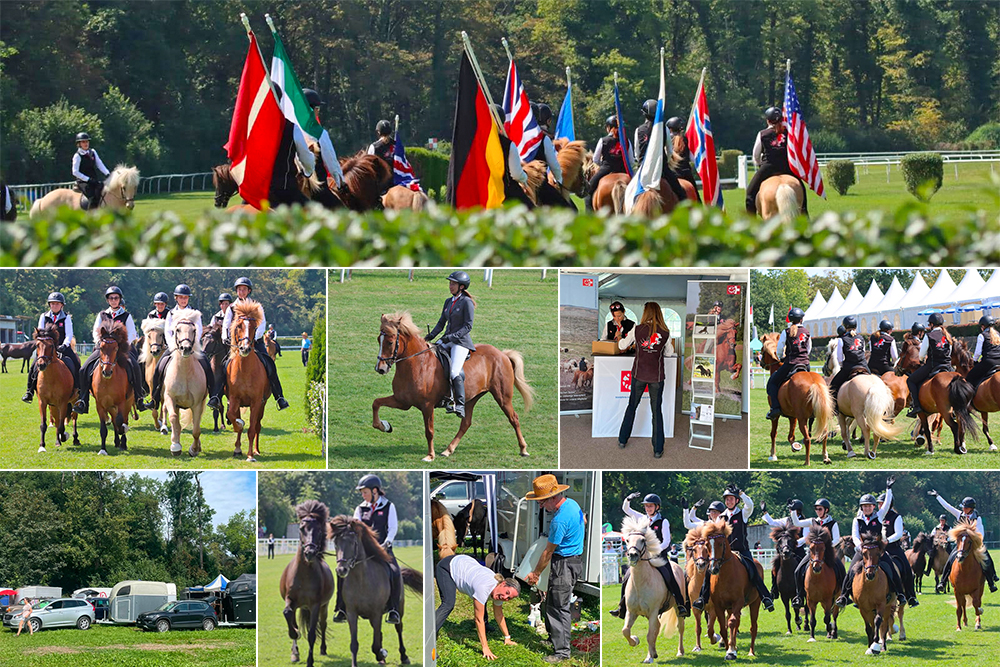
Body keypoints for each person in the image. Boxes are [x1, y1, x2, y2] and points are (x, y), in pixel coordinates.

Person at [524, 474, 585, 664]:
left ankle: (562, 653)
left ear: (553, 497)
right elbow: (582, 520)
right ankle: (554, 639)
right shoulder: (572, 504)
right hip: (571, 560)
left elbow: (548, 553)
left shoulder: (559, 521)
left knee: (559, 608)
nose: (541, 507)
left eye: (542, 502)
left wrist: (535, 574)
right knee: (552, 601)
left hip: (564, 564)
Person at [333, 474, 404, 624]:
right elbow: (353, 528)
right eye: (362, 493)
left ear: (375, 491)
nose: (363, 495)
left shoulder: (388, 506)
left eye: (365, 492)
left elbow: (392, 528)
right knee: (341, 571)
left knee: (395, 572)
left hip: (383, 549)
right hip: (363, 551)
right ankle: (341, 608)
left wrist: (387, 542)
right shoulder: (360, 508)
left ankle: (393, 609)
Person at [692, 485, 775, 612]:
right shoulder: (720, 517)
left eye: (731, 499)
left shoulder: (743, 513)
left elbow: (750, 505)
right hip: (724, 553)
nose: (729, 501)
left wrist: (740, 493)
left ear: (736, 501)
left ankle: (765, 597)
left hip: (742, 550)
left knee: (753, 570)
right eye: (727, 499)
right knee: (709, 572)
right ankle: (702, 598)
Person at [610, 491, 689, 618]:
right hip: (643, 558)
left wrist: (655, 551)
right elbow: (626, 509)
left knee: (670, 577)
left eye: (651, 506)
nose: (648, 508)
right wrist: (628, 499)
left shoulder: (664, 521)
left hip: (659, 557)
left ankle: (681, 605)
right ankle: (622, 606)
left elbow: (666, 541)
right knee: (627, 576)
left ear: (657, 507)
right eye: (646, 506)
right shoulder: (642, 518)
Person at [73, 286, 149, 414]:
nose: (114, 300)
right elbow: (95, 330)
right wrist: (99, 342)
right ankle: (83, 401)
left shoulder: (126, 315)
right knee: (83, 369)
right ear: (108, 300)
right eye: (111, 298)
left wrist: (122, 345)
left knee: (135, 366)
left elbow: (132, 334)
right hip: (104, 348)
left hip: (122, 349)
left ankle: (139, 398)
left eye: (116, 298)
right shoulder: (102, 314)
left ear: (120, 300)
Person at [148, 284, 221, 412]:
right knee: (158, 368)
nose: (183, 300)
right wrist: (173, 347)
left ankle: (213, 396)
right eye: (181, 297)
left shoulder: (194, 313)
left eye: (185, 297)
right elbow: (167, 331)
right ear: (176, 298)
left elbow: (198, 330)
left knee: (207, 365)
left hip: (191, 347)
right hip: (174, 348)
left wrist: (191, 344)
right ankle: (154, 399)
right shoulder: (171, 313)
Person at [435, 553, 521, 660]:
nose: (505, 597)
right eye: (507, 592)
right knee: (448, 604)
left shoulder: (499, 592)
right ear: (503, 584)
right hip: (447, 567)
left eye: (509, 598)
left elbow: (499, 614)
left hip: (464, 562)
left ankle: (486, 625)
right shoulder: (484, 587)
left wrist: (507, 638)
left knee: (481, 601)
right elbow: (478, 619)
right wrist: (485, 647)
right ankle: (428, 636)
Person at [836, 477, 907, 608]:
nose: (867, 508)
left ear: (873, 507)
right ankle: (844, 596)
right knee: (851, 570)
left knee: (890, 567)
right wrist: (859, 547)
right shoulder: (856, 520)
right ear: (861, 507)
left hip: (877, 551)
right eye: (865, 506)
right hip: (863, 550)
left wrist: (888, 489)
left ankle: (900, 594)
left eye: (869, 506)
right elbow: (855, 535)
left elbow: (886, 504)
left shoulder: (879, 516)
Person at [222, 277, 290, 410]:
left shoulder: (257, 306)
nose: (241, 292)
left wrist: (253, 337)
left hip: (255, 342)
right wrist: (226, 337)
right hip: (236, 344)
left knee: (269, 365)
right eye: (239, 289)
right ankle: (217, 396)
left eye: (244, 289)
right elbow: (226, 323)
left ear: (249, 291)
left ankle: (279, 397)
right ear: (236, 291)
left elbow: (262, 323)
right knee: (223, 367)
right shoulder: (232, 307)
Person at [616, 302, 672, 457]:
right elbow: (669, 353)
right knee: (656, 412)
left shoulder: (637, 329)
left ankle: (622, 439)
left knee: (632, 406)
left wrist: (621, 336)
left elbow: (622, 345)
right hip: (657, 377)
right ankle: (658, 449)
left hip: (639, 375)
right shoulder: (665, 332)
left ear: (645, 313)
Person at [424, 270, 476, 418]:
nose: (450, 286)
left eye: (453, 283)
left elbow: (467, 326)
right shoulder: (448, 301)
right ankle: (445, 397)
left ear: (461, 286)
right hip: (447, 339)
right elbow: (441, 323)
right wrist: (430, 336)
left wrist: (452, 337)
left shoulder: (467, 302)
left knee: (454, 371)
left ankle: (459, 405)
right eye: (450, 283)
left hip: (460, 342)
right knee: (433, 359)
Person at [928, 490, 998, 593]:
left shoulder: (977, 518)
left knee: (986, 558)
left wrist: (976, 543)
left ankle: (991, 580)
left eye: (966, 507)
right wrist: (938, 496)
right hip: (961, 544)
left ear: (971, 509)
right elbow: (948, 507)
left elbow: (980, 533)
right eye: (963, 507)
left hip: (973, 544)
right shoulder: (960, 514)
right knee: (950, 559)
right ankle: (942, 582)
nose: (963, 509)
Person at [745, 107, 808, 217]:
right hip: (786, 167)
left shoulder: (762, 134)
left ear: (768, 120)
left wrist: (760, 163)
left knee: (750, 194)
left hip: (768, 167)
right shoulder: (788, 133)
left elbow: (756, 154)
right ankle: (805, 215)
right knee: (801, 189)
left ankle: (750, 221)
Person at [22, 292, 82, 403]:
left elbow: (69, 334)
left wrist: (64, 345)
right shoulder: (43, 316)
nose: (54, 306)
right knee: (33, 367)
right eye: (52, 304)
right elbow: (40, 332)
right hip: (46, 349)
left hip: (62, 347)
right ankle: (29, 391)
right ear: (49, 305)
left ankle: (79, 390)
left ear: (62, 305)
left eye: (57, 304)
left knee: (76, 363)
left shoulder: (66, 317)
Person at [788, 498, 845, 610]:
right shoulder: (812, 521)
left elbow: (837, 539)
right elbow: (797, 523)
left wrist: (826, 547)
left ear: (826, 510)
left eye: (820, 509)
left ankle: (843, 596)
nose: (818, 511)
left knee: (841, 570)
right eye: (816, 509)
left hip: (828, 553)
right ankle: (799, 596)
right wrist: (793, 511)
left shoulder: (833, 523)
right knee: (797, 570)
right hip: (814, 553)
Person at [631, 100, 687, 201]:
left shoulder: (638, 130)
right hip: (661, 167)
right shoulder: (664, 128)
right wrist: (667, 161)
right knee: (681, 192)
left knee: (629, 192)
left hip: (644, 168)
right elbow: (670, 150)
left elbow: (637, 153)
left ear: (644, 114)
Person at [764, 307, 811, 420]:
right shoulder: (806, 332)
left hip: (791, 363)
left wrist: (781, 357)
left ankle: (775, 409)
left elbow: (780, 348)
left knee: (773, 382)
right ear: (801, 319)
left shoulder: (786, 332)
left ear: (791, 319)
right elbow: (808, 349)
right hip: (805, 364)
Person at [301, 88, 345, 207]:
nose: (318, 112)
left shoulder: (293, 129)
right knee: (342, 213)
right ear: (311, 109)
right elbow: (331, 163)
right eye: (317, 109)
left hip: (292, 188)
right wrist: (341, 184)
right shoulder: (320, 133)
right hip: (317, 189)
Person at [906, 313, 953, 417]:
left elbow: (922, 354)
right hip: (947, 366)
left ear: (931, 324)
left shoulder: (929, 335)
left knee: (911, 380)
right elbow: (950, 351)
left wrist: (922, 360)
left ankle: (916, 406)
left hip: (933, 365)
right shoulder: (947, 335)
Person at [527, 102, 572, 209]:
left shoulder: (514, 136)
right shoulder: (543, 138)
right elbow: (554, 166)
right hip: (539, 185)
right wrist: (559, 182)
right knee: (569, 210)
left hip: (517, 183)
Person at [878, 491, 920, 607]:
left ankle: (910, 596)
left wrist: (887, 541)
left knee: (908, 571)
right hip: (877, 549)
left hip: (893, 549)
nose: (880, 506)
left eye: (881, 504)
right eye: (879, 504)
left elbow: (898, 533)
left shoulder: (896, 517)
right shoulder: (877, 516)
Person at [490, 104, 535, 209]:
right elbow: (516, 174)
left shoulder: (474, 143)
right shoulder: (508, 144)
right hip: (504, 192)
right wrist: (525, 179)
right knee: (532, 212)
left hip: (479, 189)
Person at [586, 116, 633, 211]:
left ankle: (589, 214)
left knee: (588, 191)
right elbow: (631, 160)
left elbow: (595, 159)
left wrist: (602, 164)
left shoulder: (603, 140)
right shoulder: (626, 140)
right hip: (623, 169)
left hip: (606, 169)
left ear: (608, 128)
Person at [269, 115, 316, 207]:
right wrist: (308, 172)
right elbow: (306, 159)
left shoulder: (253, 125)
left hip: (257, 191)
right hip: (285, 189)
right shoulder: (292, 128)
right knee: (314, 215)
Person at [828, 316, 870, 413]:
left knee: (832, 386)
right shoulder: (861, 338)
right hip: (863, 365)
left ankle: (834, 408)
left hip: (849, 367)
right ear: (856, 326)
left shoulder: (841, 339)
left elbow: (839, 357)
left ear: (845, 327)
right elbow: (862, 352)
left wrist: (842, 365)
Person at [72, 131, 110, 210]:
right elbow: (75, 172)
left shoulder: (92, 152)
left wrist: (107, 174)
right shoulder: (77, 155)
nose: (86, 143)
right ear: (79, 144)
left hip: (93, 179)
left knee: (102, 189)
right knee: (92, 194)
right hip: (83, 181)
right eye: (83, 142)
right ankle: (91, 213)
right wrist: (88, 179)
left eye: (87, 141)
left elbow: (100, 164)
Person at [966, 315, 1000, 392]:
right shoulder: (998, 334)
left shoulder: (982, 335)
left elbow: (978, 352)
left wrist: (975, 361)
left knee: (969, 378)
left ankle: (971, 400)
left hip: (988, 362)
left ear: (983, 326)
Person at [665, 116, 696, 184]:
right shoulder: (685, 139)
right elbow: (692, 158)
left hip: (672, 173)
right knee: (695, 193)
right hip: (686, 173)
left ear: (670, 129)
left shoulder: (666, 140)